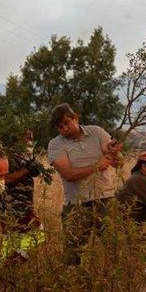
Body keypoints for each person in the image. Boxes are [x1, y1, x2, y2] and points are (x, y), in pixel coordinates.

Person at [47, 103, 121, 248]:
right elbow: (68, 175)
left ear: (75, 118)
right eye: (60, 127)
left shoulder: (97, 132)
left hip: (106, 199)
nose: (64, 129)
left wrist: (115, 152)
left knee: (114, 249)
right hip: (76, 204)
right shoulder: (55, 144)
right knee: (72, 255)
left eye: (66, 123)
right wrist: (97, 166)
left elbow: (117, 163)